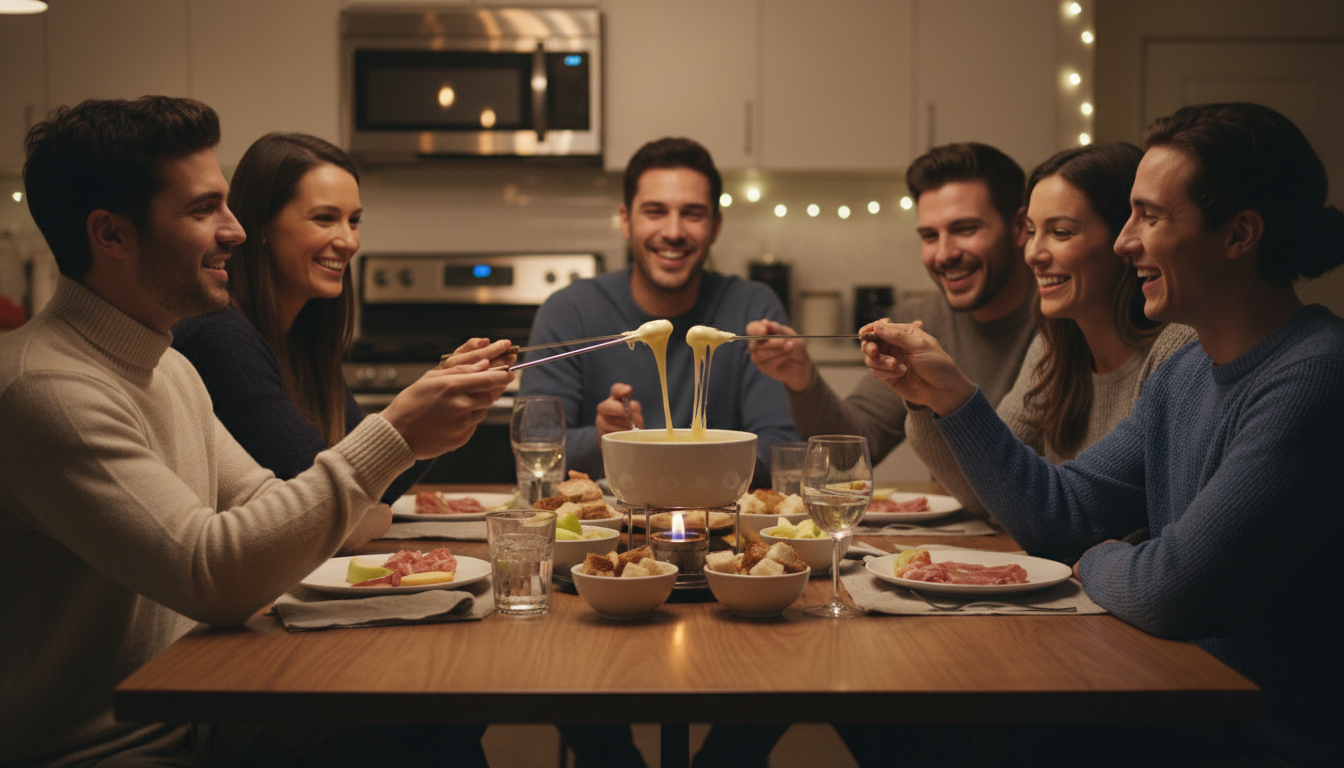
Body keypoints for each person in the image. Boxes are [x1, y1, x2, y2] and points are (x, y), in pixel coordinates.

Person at [0, 96, 511, 767]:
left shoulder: (168, 369)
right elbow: (212, 571)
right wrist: (394, 435)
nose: (235, 231)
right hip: (110, 743)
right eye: (203, 209)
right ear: (112, 236)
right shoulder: (47, 390)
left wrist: (410, 436)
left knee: (439, 735)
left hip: (202, 708)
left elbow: (267, 504)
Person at [859, 103, 1344, 766]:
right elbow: (1062, 513)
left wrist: (1099, 559)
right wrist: (949, 396)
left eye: (1150, 216)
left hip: (1255, 731)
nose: (1124, 242)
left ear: (1239, 234)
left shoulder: (1315, 376)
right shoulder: (1190, 372)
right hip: (1170, 697)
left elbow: (1179, 587)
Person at [170, 133, 476, 542]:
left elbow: (364, 485)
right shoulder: (219, 334)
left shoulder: (305, 338)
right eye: (325, 219)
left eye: (354, 220)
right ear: (260, 226)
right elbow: (326, 502)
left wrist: (445, 399)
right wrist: (408, 426)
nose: (349, 240)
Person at [906, 143, 1197, 523]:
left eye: (1060, 232)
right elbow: (991, 494)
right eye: (1031, 232)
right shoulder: (1054, 346)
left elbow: (1083, 512)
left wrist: (954, 394)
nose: (1033, 254)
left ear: (1125, 241)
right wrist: (925, 399)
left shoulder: (1179, 349)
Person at [519, 136, 799, 481]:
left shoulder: (752, 309)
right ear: (625, 221)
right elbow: (534, 445)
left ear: (716, 227)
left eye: (693, 214)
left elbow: (781, 450)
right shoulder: (569, 311)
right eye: (655, 212)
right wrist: (602, 438)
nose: (673, 231)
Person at [747, 142, 1038, 468]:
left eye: (965, 229)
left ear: (1019, 228)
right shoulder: (921, 322)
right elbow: (852, 451)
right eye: (929, 236)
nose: (943, 254)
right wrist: (801, 377)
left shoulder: (1061, 321)